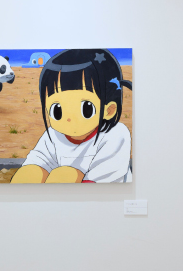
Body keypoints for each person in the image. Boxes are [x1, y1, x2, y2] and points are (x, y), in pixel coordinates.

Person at [11, 49, 132, 183]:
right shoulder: (53, 135)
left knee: (67, 174)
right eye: (57, 110)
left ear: (109, 110)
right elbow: (38, 162)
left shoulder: (115, 134)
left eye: (86, 109)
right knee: (31, 173)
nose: (68, 118)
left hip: (105, 194)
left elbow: (101, 183)